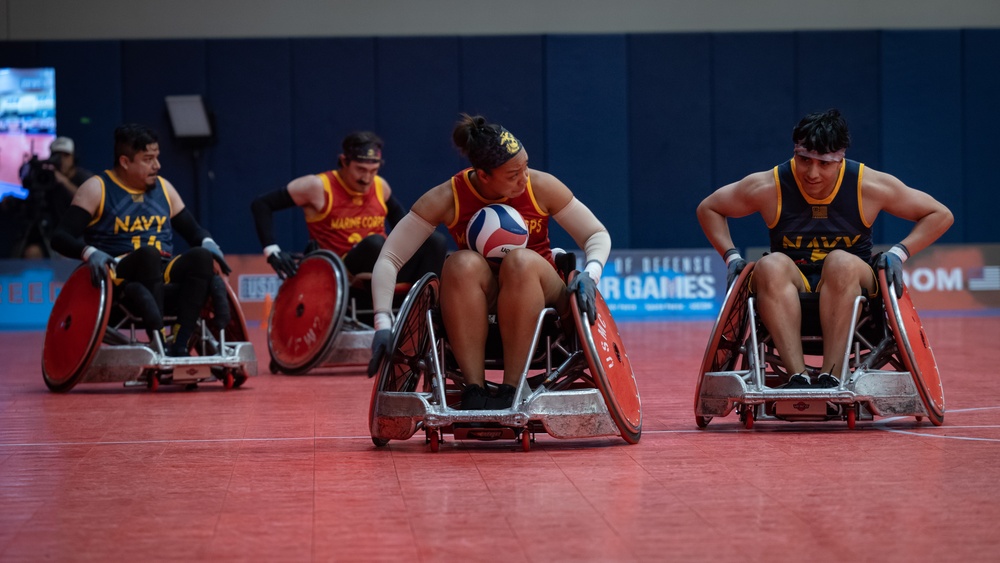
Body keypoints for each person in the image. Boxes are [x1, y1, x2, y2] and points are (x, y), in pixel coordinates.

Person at [367, 114, 611, 410]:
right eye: (513, 174)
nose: (524, 178)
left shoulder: (540, 186)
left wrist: (591, 273)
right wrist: (382, 322)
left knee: (519, 261)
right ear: (483, 175)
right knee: (459, 263)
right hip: (484, 298)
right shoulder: (448, 197)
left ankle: (512, 389)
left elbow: (596, 233)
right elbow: (390, 257)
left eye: (525, 167)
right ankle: (474, 389)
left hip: (544, 297)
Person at [696, 108, 953, 388]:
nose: (812, 173)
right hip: (792, 286)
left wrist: (898, 253)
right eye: (804, 160)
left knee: (840, 261)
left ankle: (832, 377)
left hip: (854, 289)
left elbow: (940, 214)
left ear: (841, 158)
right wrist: (731, 257)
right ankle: (798, 379)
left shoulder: (868, 185)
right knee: (768, 265)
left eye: (824, 164)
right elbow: (709, 208)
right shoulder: (770, 185)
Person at [51, 123, 232, 356]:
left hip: (162, 272)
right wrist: (90, 252)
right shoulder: (97, 188)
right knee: (148, 255)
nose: (157, 165)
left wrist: (208, 242)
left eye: (156, 157)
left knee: (200, 257)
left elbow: (195, 232)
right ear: (125, 162)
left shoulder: (165, 188)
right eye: (148, 159)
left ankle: (179, 343)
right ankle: (157, 340)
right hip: (120, 278)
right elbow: (60, 237)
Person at [249, 131, 446, 285]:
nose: (367, 178)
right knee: (375, 243)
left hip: (385, 265)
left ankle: (426, 306)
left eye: (373, 171)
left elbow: (405, 225)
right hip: (344, 270)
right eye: (360, 169)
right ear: (344, 161)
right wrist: (272, 251)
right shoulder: (317, 186)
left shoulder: (380, 186)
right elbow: (262, 204)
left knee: (435, 241)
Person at [10, 136, 94, 258]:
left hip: (81, 236)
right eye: (57, 155)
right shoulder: (46, 178)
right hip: (54, 234)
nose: (62, 160)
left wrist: (64, 182)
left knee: (66, 256)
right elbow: (33, 200)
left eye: (66, 155)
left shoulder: (85, 178)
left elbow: (90, 200)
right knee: (32, 252)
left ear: (74, 158)